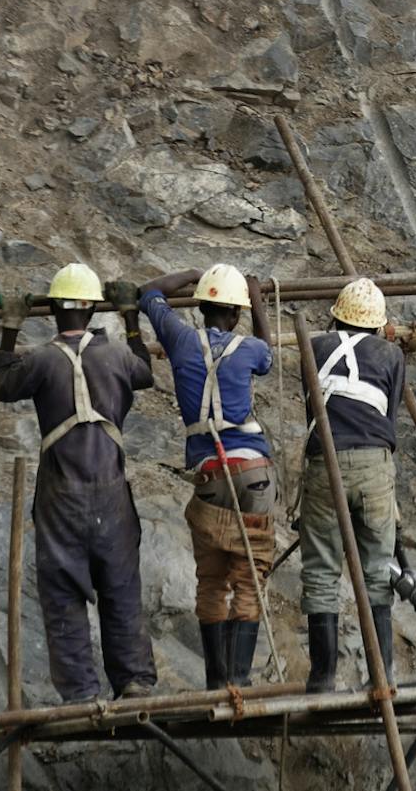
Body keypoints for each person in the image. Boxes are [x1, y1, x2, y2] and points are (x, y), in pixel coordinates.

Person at [0, 263, 158, 703]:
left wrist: (10, 325)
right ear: (94, 309)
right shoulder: (116, 354)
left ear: (55, 311)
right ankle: (134, 682)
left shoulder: (41, 360)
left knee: (63, 592)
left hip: (61, 495)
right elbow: (145, 371)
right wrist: (131, 315)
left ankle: (81, 694)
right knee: (120, 584)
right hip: (110, 489)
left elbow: (1, 385)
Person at [138, 264, 275, 690]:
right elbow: (268, 352)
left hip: (209, 476)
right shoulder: (249, 348)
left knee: (213, 579)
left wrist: (191, 274)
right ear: (235, 315)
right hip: (252, 471)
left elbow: (148, 293)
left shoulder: (179, 340)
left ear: (199, 308)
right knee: (249, 576)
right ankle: (240, 679)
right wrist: (256, 296)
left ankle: (218, 681)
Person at [300, 277, 405, 693]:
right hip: (374, 464)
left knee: (322, 571)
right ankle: (383, 676)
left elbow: (312, 405)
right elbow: (390, 416)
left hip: (325, 463)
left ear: (335, 316)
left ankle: (322, 679)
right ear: (379, 325)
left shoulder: (316, 346)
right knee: (378, 571)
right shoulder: (391, 355)